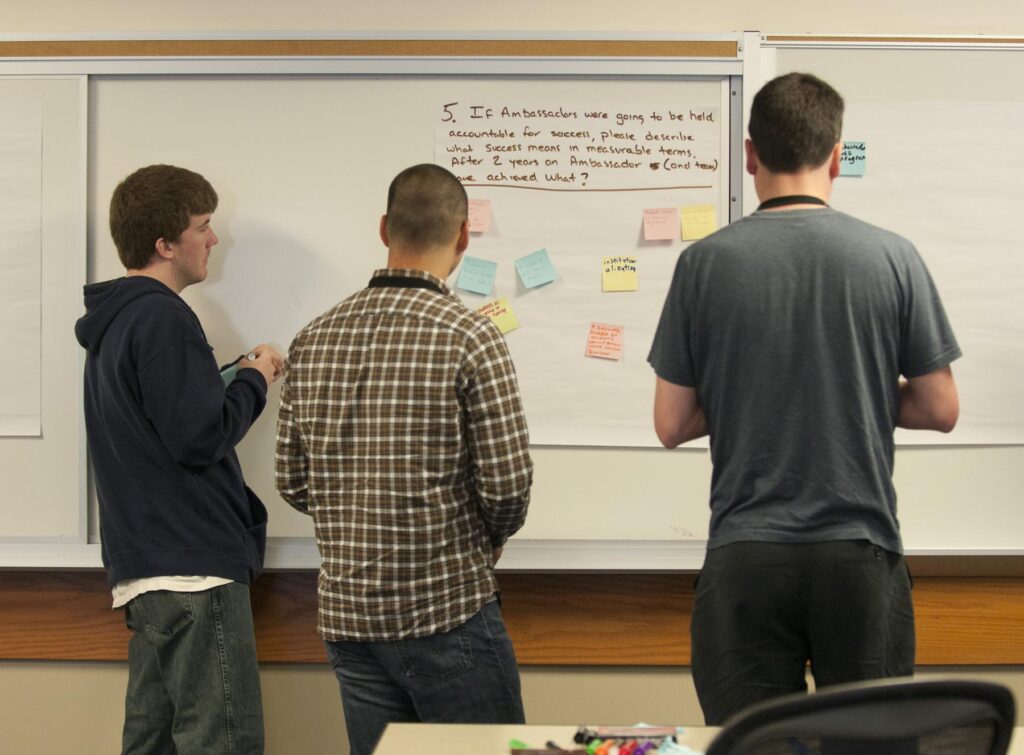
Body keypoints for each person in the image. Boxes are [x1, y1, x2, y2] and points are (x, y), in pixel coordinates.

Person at [648, 73, 962, 725]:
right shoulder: (892, 257)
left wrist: (746, 393)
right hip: (859, 552)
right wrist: (861, 389)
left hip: (746, 556)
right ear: (837, 154)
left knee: (756, 746)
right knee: (870, 748)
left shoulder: (703, 264)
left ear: (750, 154)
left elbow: (671, 422)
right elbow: (939, 407)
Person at [275, 163, 533, 755]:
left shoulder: (313, 337)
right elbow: (507, 488)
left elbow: (291, 479)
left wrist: (354, 516)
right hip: (446, 611)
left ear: (384, 227)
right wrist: (485, 540)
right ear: (464, 237)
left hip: (350, 622)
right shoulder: (471, 336)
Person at [75, 164, 283, 754]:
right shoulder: (164, 317)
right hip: (195, 571)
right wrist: (254, 379)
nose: (215, 239)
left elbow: (164, 425)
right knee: (222, 742)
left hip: (149, 573)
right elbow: (198, 437)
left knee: (153, 743)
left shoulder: (116, 325)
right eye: (203, 227)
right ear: (166, 245)